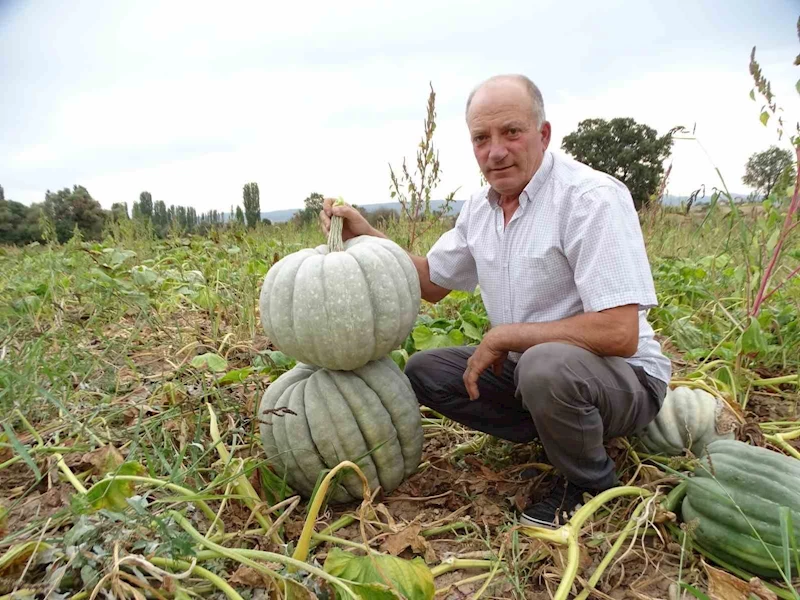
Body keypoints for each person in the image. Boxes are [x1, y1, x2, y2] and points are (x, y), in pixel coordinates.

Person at [320, 74, 671, 529]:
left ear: (543, 134)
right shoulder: (481, 208)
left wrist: (508, 335)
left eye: (512, 132)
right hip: (537, 371)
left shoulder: (591, 199)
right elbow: (431, 282)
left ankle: (590, 484)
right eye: (481, 138)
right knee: (426, 372)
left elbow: (619, 333)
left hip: (626, 380)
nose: (496, 151)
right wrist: (364, 234)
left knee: (542, 366)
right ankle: (558, 431)